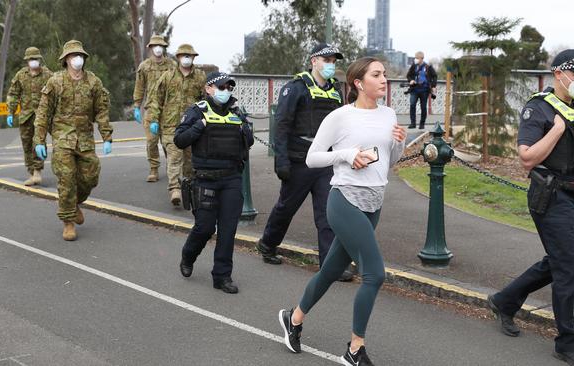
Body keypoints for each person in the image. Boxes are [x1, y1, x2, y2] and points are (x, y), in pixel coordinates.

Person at [277, 57, 406, 366]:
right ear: (359, 83)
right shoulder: (340, 116)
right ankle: (355, 349)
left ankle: (292, 319)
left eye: (384, 74)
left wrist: (399, 143)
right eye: (376, 75)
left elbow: (391, 161)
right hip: (344, 200)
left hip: (374, 203)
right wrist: (348, 155)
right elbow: (312, 158)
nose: (383, 79)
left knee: (331, 270)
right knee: (374, 274)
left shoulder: (389, 114)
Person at [488, 49, 574, 366]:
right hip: (549, 196)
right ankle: (568, 343)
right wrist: (556, 130)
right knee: (569, 267)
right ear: (559, 74)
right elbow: (526, 158)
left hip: (573, 196)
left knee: (559, 260)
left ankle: (505, 300)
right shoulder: (538, 109)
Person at [256, 43, 353, 281]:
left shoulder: (335, 91)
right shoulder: (296, 88)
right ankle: (267, 244)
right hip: (300, 161)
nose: (331, 65)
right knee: (285, 208)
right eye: (326, 60)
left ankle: (330, 265)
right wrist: (282, 161)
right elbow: (282, 125)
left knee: (328, 213)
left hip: (325, 162)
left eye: (333, 61)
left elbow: (341, 127)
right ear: (314, 61)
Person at [173, 72, 254, 294]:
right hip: (206, 180)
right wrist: (199, 126)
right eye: (221, 86)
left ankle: (222, 276)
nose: (226, 90)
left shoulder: (236, 111)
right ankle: (188, 255)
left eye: (229, 86)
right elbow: (179, 140)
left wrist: (245, 129)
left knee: (228, 230)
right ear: (208, 88)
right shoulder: (197, 111)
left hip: (231, 178)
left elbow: (250, 141)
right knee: (205, 227)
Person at [33, 40, 113, 241]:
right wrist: (39, 140)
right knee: (66, 179)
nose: (77, 59)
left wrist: (106, 136)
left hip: (85, 139)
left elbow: (101, 110)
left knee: (90, 176)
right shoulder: (55, 82)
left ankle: (74, 203)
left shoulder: (94, 82)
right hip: (62, 139)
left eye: (80, 56)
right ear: (66, 60)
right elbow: (43, 113)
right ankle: (68, 222)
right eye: (72, 56)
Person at [148, 44, 205, 206]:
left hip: (192, 127)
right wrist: (153, 119)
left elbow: (206, 101)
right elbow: (156, 99)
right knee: (174, 158)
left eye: (189, 56)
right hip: (170, 126)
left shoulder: (200, 77)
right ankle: (174, 189)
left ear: (193, 58)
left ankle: (188, 188)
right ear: (178, 58)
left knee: (190, 162)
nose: (186, 58)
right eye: (183, 55)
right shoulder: (168, 76)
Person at [6, 46, 53, 186]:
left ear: (39, 59)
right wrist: (10, 112)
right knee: (27, 145)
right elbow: (13, 94)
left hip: (42, 116)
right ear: (27, 61)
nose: (33, 61)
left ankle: (37, 171)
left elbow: (57, 92)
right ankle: (31, 172)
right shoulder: (21, 75)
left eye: (36, 59)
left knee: (38, 143)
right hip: (26, 116)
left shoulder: (48, 75)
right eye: (31, 59)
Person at [132, 35, 177, 182]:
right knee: (152, 141)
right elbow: (139, 87)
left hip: (169, 109)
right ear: (150, 48)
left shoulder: (172, 65)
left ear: (163, 47)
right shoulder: (144, 66)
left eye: (160, 46)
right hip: (151, 109)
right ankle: (153, 168)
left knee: (168, 141)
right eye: (154, 46)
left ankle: (172, 168)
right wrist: (137, 106)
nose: (157, 48)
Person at [406, 51, 437, 129]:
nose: (415, 59)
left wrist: (433, 86)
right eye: (415, 58)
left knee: (423, 107)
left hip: (424, 90)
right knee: (412, 105)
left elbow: (435, 76)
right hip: (414, 89)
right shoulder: (413, 66)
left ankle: (422, 124)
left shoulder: (428, 67)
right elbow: (408, 75)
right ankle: (413, 123)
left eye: (417, 58)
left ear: (421, 58)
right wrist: (410, 80)